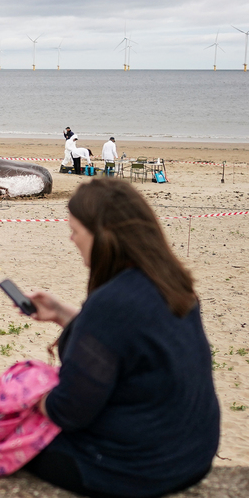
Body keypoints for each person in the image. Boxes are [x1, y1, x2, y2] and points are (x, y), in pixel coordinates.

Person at [22, 179, 219, 498]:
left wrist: (28, 399)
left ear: (102, 236)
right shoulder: (171, 282)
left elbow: (69, 410)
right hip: (194, 455)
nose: (71, 240)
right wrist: (62, 313)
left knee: (10, 436)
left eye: (75, 231)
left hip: (141, 470)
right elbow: (124, 342)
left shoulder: (111, 304)